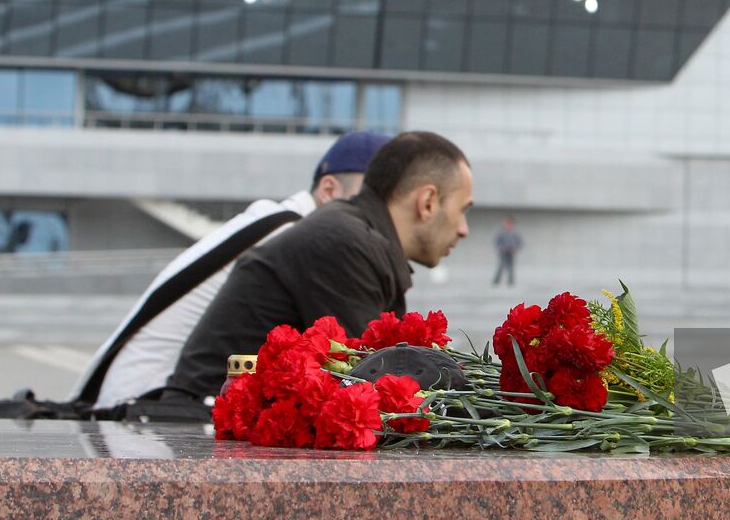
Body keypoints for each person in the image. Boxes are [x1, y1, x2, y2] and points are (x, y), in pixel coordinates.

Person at [70, 130, 390, 409]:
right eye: (373, 197)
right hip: (147, 406)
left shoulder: (277, 221)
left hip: (132, 396)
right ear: (329, 189)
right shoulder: (301, 238)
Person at [165, 130, 473, 402]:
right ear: (428, 201)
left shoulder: (353, 233)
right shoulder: (345, 242)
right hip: (207, 422)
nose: (463, 229)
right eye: (462, 210)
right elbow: (373, 386)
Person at [492, 216, 523, 286]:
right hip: (503, 252)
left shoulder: (515, 233)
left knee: (511, 268)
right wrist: (500, 248)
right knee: (501, 267)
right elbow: (496, 242)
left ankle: (511, 283)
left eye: (510, 224)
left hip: (511, 253)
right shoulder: (501, 233)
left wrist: (516, 249)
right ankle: (496, 282)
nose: (508, 225)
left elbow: (520, 243)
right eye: (507, 223)